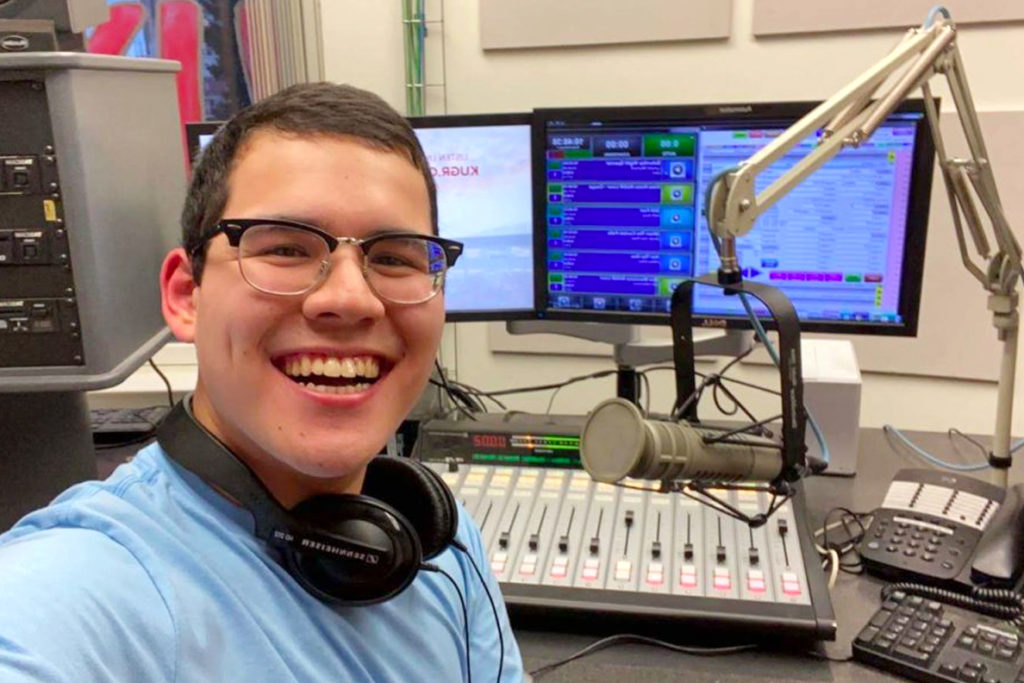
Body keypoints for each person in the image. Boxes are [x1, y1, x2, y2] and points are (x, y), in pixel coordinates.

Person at [0, 82, 524, 682]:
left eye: (395, 258)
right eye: (284, 248)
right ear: (185, 296)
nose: (352, 299)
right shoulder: (85, 586)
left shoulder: (444, 547)